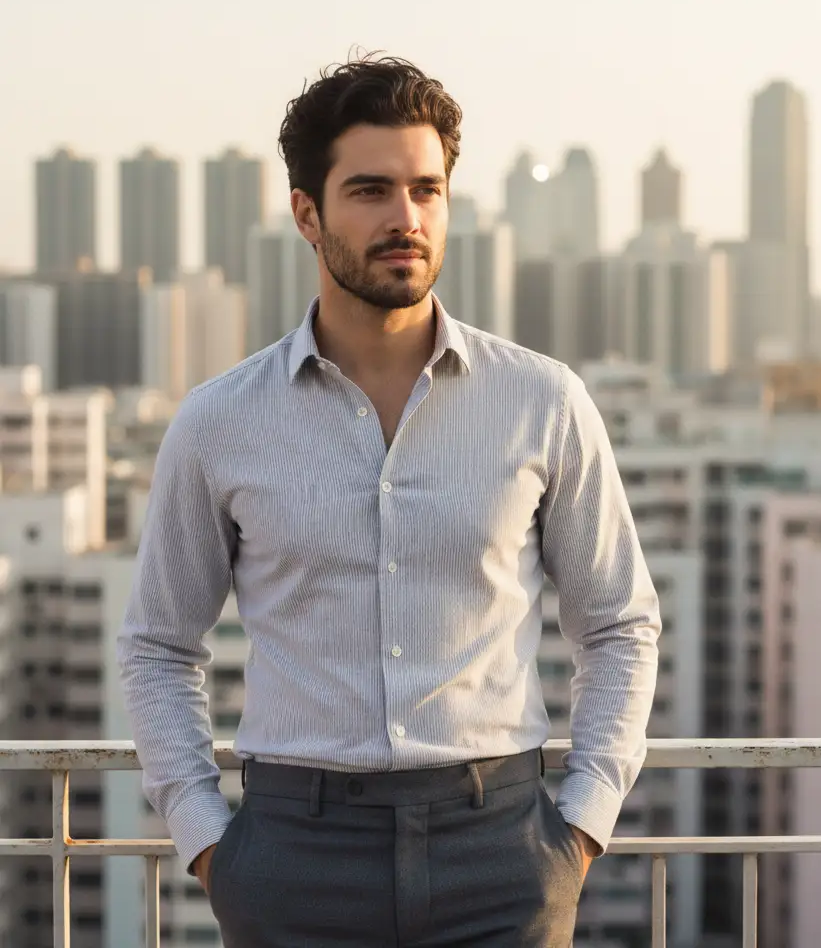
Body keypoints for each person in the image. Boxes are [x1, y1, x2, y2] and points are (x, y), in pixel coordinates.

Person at [118, 52, 661, 947]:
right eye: (370, 190)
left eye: (426, 190)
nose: (405, 218)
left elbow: (619, 623)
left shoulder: (543, 401)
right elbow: (158, 646)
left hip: (501, 855)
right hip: (294, 858)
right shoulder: (219, 422)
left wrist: (580, 831)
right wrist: (211, 846)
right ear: (307, 213)